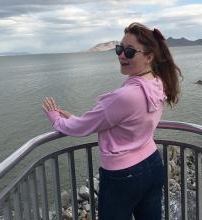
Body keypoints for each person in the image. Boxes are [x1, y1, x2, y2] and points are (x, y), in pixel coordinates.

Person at [42, 22, 181, 220]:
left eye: (130, 51)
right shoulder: (158, 83)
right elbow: (115, 120)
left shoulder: (125, 96)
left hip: (123, 176)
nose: (122, 55)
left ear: (149, 57)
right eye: (119, 49)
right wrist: (74, 117)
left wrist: (56, 118)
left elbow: (83, 127)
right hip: (152, 163)